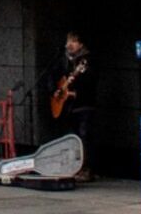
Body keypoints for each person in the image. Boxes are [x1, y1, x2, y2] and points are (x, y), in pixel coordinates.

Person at [45, 31, 97, 181]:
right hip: (68, 107)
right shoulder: (63, 60)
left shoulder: (87, 61)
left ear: (81, 44)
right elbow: (51, 75)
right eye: (68, 41)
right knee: (72, 137)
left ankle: (87, 169)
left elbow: (91, 82)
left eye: (73, 41)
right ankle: (74, 167)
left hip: (84, 104)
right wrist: (54, 91)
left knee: (84, 136)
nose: (69, 44)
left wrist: (75, 92)